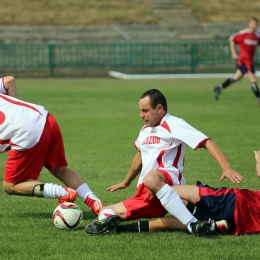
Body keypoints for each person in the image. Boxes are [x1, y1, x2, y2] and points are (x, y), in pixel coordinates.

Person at [85, 88, 243, 235]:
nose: (141, 115)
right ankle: (212, 224)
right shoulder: (145, 130)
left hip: (169, 182)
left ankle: (193, 224)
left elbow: (205, 141)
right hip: (146, 192)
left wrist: (226, 168)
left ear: (159, 108)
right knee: (105, 212)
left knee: (151, 179)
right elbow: (140, 156)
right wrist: (126, 182)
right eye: (140, 110)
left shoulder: (174, 123)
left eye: (145, 110)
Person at [0, 88, 103, 215]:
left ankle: (63, 192)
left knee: (11, 185)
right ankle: (97, 204)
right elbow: (9, 80)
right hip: (44, 117)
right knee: (60, 169)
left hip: (25, 132)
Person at [214, 17, 260, 104]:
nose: (255, 26)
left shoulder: (257, 35)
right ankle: (259, 98)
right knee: (253, 79)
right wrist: (234, 53)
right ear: (249, 24)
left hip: (249, 60)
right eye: (253, 23)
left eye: (256, 24)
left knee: (237, 78)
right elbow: (232, 40)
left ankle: (219, 87)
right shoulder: (243, 34)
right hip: (245, 60)